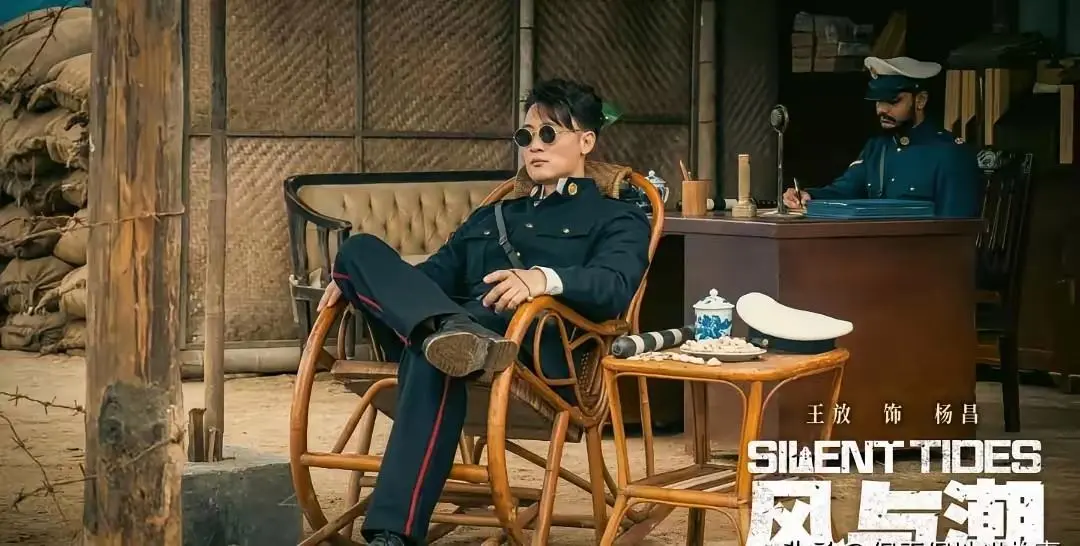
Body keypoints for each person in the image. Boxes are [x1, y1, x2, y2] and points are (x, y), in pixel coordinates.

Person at [315, 78, 651, 546]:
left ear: (586, 141)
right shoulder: (494, 216)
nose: (534, 145)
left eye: (549, 133)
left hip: (526, 348)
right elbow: (434, 275)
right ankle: (449, 332)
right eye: (526, 135)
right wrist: (371, 278)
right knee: (358, 251)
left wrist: (543, 278)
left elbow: (614, 286)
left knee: (433, 355)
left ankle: (392, 534)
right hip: (446, 326)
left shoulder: (617, 217)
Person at [782, 56, 981, 218]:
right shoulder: (876, 148)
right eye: (878, 101)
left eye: (893, 101)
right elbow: (845, 190)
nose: (882, 110)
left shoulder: (950, 154)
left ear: (920, 100)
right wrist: (808, 195)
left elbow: (956, 230)